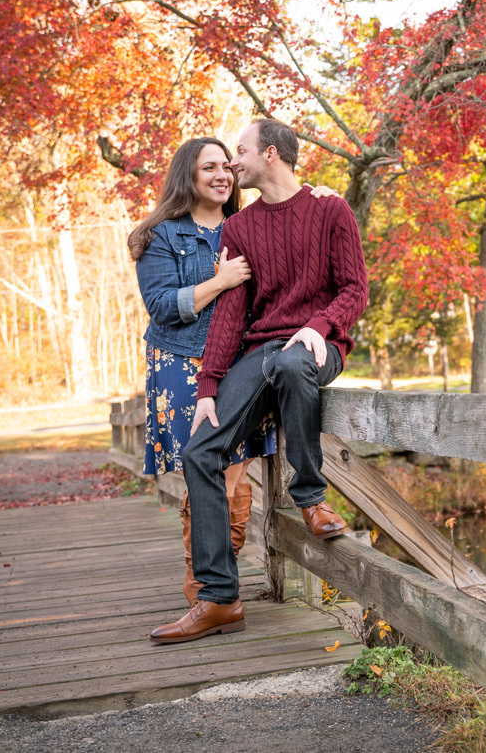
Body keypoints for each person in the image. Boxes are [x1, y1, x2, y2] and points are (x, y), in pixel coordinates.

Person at [150, 119, 368, 644]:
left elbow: (354, 290)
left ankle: (311, 499)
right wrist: (208, 388)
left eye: (239, 154)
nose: (232, 164)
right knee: (200, 452)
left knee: (295, 362)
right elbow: (231, 314)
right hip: (261, 350)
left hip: (318, 347)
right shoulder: (239, 229)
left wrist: (318, 326)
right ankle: (218, 598)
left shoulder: (331, 208)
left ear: (270, 154)